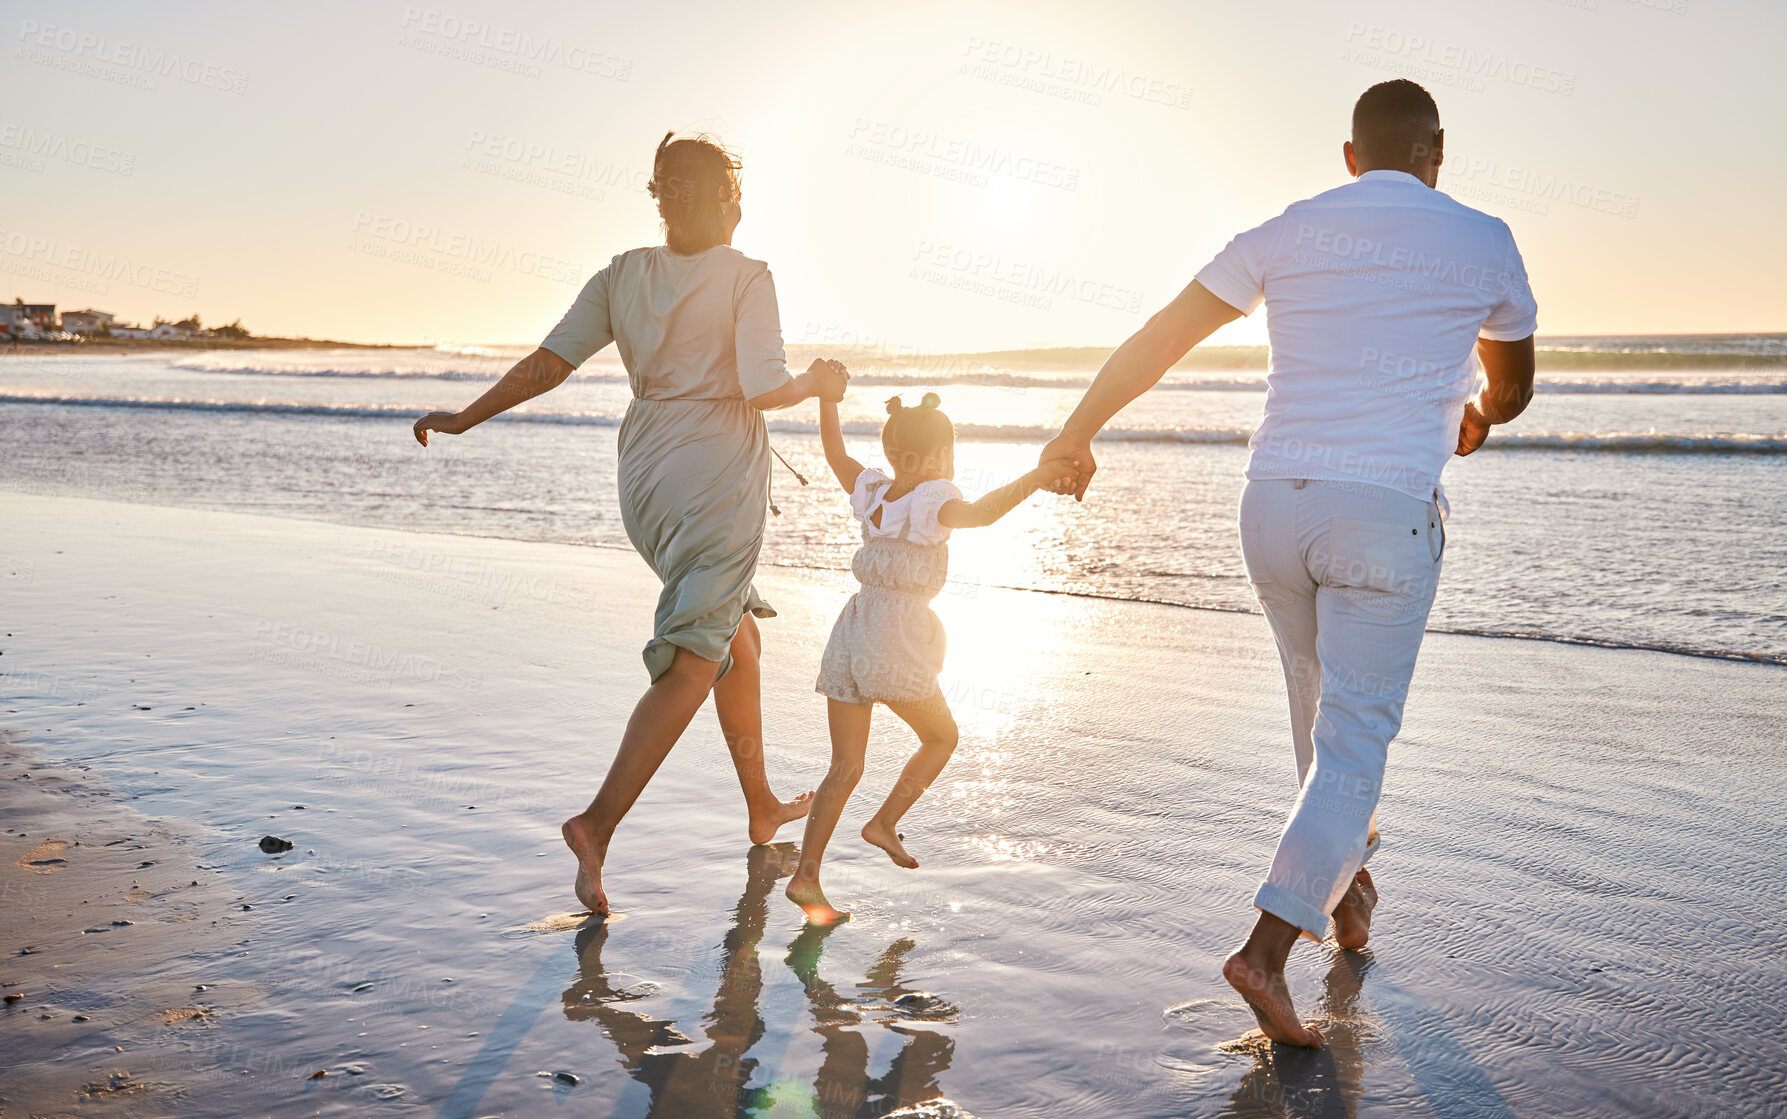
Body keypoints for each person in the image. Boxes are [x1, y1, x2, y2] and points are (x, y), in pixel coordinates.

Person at [1040, 80, 1538, 1045]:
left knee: (1318, 726)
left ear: (1349, 157)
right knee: (1351, 748)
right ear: (1438, 151)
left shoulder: (1288, 228)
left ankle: (1345, 900)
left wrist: (1076, 429)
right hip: (1381, 517)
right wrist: (1475, 412)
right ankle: (1263, 954)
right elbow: (1512, 385)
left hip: (1272, 507)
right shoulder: (1483, 236)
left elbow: (1161, 336)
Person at [413, 131, 849, 915]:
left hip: (644, 475)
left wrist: (468, 416)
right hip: (714, 475)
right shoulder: (749, 274)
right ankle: (597, 823)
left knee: (733, 638)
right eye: (731, 195)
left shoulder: (621, 274)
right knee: (692, 656)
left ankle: (759, 803)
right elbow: (760, 385)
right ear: (724, 200)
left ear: (659, 197)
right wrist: (817, 382)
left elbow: (550, 363)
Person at [786, 389, 1076, 924]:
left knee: (844, 766)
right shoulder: (932, 499)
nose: (951, 463)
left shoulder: (873, 490)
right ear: (934, 458)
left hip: (852, 629)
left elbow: (834, 453)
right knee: (941, 737)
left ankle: (807, 875)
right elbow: (983, 514)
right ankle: (884, 822)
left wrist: (828, 400)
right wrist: (1034, 479)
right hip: (897, 635)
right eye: (949, 453)